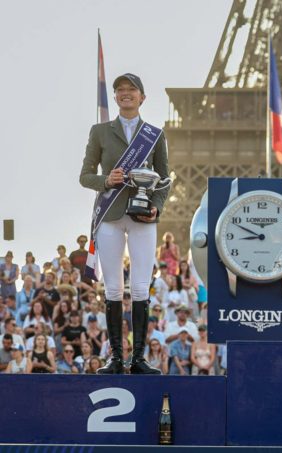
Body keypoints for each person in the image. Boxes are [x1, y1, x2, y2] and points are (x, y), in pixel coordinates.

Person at [79, 73, 169, 374]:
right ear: (116, 96)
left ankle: (139, 359)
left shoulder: (155, 134)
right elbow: (85, 176)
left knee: (141, 287)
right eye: (120, 90)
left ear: (142, 97)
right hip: (110, 215)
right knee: (113, 288)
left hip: (143, 216)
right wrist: (106, 180)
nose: (125, 93)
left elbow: (165, 179)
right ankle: (116, 358)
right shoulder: (100, 131)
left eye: (131, 89)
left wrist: (156, 207)